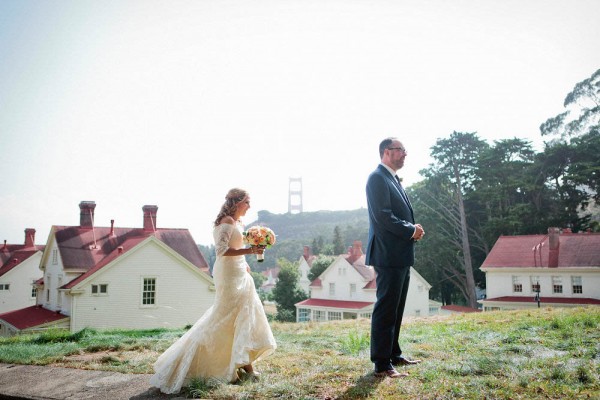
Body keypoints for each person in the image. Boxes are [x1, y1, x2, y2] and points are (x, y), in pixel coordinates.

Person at [150, 188, 276, 393]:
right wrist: (250, 250)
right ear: (236, 202)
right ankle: (193, 360)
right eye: (247, 202)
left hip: (240, 271)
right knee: (224, 317)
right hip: (227, 275)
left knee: (244, 315)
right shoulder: (225, 222)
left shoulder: (238, 223)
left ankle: (246, 366)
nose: (249, 206)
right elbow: (222, 250)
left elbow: (236, 247)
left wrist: (245, 260)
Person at [365, 137, 424, 379]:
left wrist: (412, 230)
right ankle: (381, 363)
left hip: (400, 254)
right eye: (401, 150)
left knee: (397, 308)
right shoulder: (377, 178)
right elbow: (383, 217)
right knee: (386, 308)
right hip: (387, 254)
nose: (405, 154)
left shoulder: (391, 178)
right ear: (386, 152)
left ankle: (394, 354)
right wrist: (411, 229)